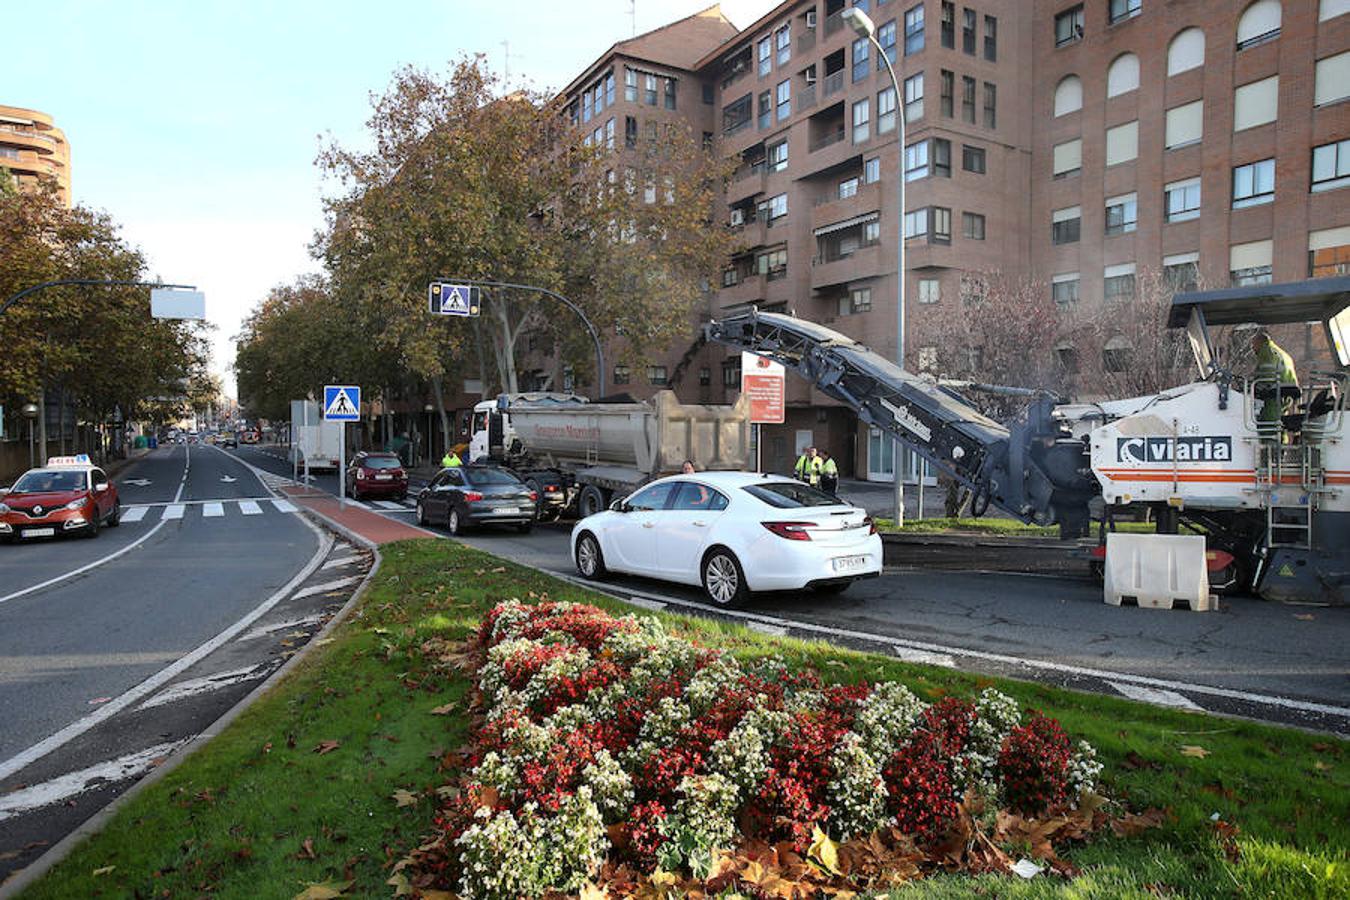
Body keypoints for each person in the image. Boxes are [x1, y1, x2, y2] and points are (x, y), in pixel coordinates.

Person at [1250, 330, 1298, 430]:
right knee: (1280, 422)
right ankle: (1281, 442)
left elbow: (1267, 375)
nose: (1252, 348)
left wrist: (1255, 389)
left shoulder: (1266, 352)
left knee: (1269, 423)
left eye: (1253, 345)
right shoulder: (1279, 351)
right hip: (1286, 392)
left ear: (1260, 342)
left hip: (1274, 393)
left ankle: (1269, 443)